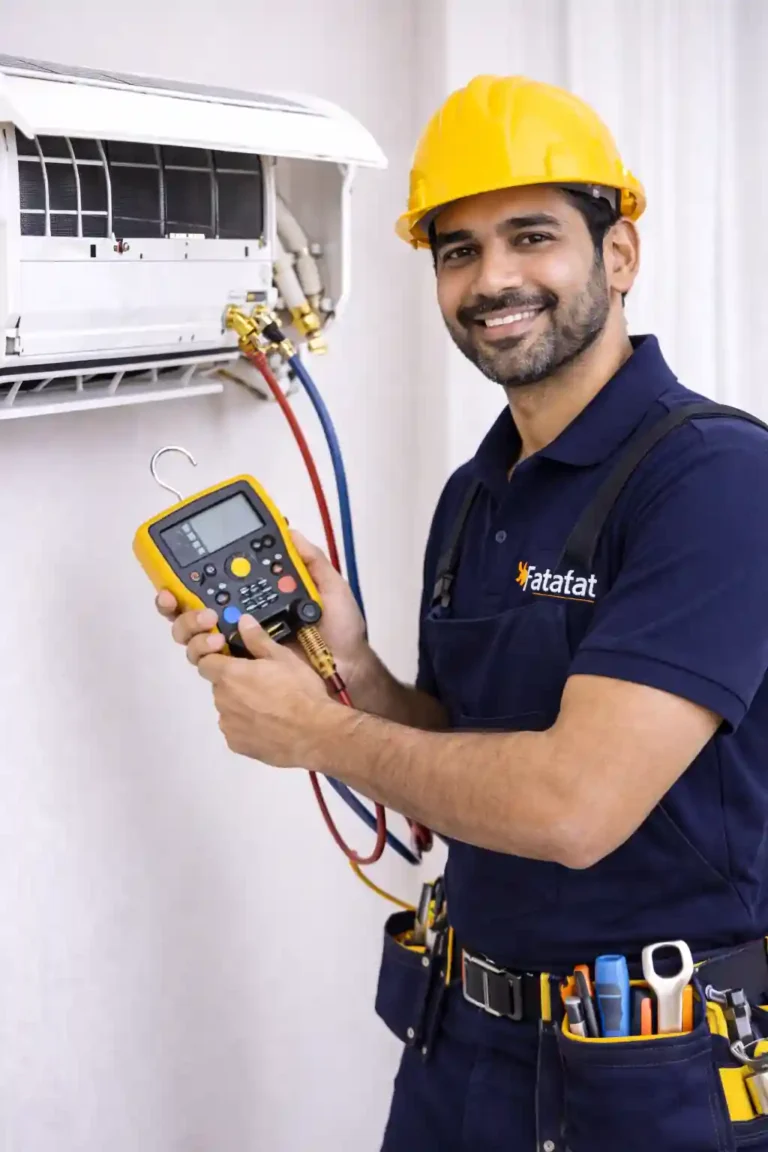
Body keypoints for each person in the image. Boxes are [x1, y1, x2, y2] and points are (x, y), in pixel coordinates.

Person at [155, 75, 768, 1151]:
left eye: (532, 237)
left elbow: (574, 806)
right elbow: (458, 756)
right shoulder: (476, 493)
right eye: (458, 252)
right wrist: (353, 670)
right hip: (460, 1048)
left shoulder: (716, 480)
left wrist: (317, 731)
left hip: (656, 1083)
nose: (493, 280)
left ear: (619, 254)